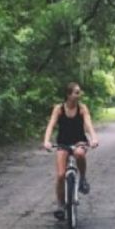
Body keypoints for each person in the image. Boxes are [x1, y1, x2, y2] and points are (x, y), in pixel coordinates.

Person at [43, 82, 99, 220]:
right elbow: (51, 126)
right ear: (68, 94)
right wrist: (46, 141)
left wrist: (94, 138)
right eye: (76, 92)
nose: (79, 95)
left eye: (79, 92)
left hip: (79, 141)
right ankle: (60, 205)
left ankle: (83, 179)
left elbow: (89, 125)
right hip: (63, 143)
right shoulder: (59, 109)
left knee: (79, 153)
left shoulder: (82, 108)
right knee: (61, 175)